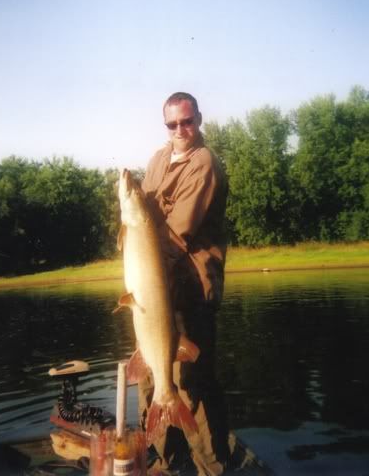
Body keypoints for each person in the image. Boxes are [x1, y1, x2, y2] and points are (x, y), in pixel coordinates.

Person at [140, 92, 230, 476]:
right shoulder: (159, 159)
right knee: (152, 377)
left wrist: (142, 263)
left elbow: (176, 236)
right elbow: (144, 213)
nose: (180, 129)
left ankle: (212, 468)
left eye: (187, 121)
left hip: (190, 290)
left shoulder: (204, 163)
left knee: (193, 385)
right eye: (172, 124)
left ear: (199, 120)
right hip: (156, 293)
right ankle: (164, 463)